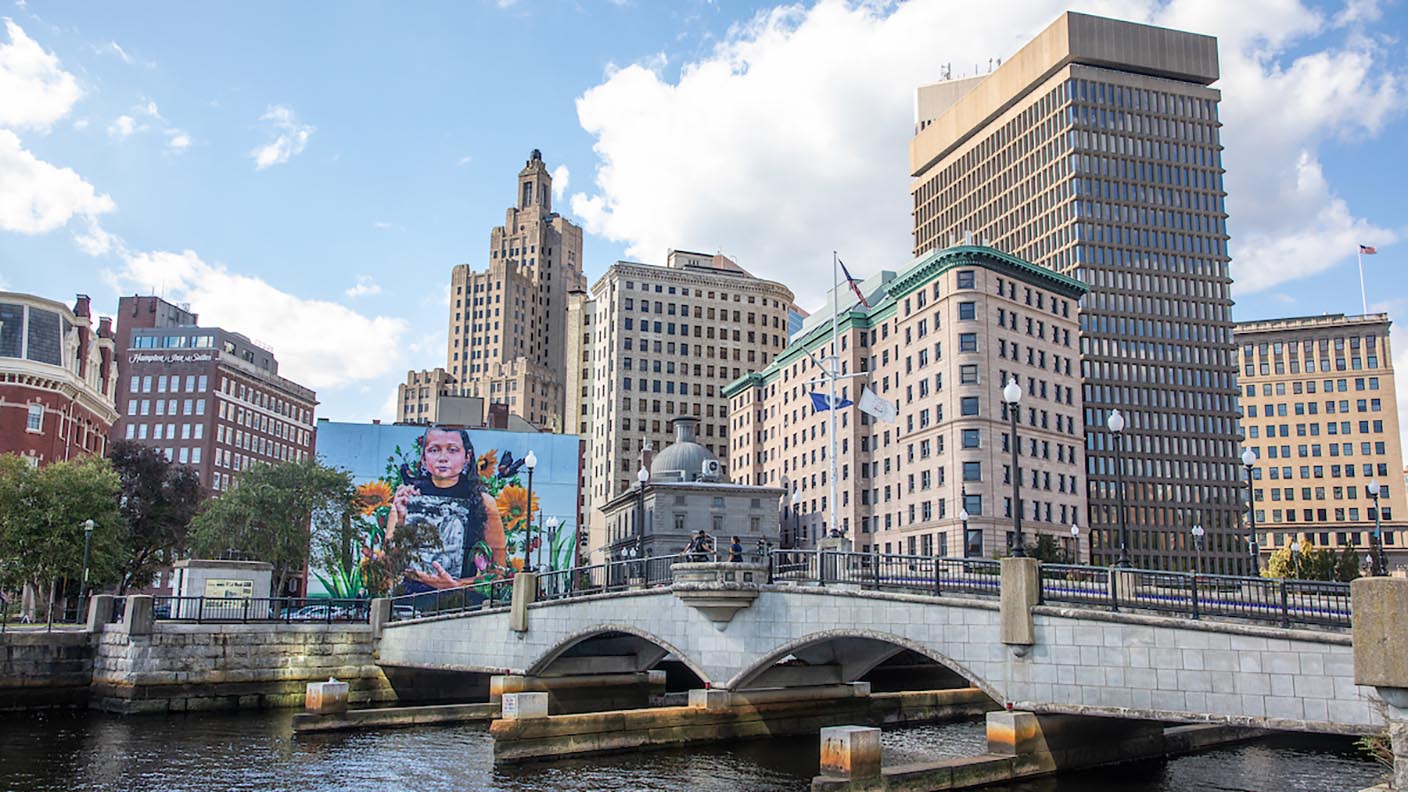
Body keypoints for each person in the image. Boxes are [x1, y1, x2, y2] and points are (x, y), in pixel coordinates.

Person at [386, 425, 507, 592]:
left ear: (467, 457)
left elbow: (499, 573)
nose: (443, 458)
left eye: (452, 450)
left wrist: (458, 585)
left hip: (462, 604)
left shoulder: (484, 503)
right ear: (423, 458)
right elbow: (388, 565)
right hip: (409, 602)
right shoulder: (407, 498)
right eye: (434, 450)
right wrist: (400, 520)